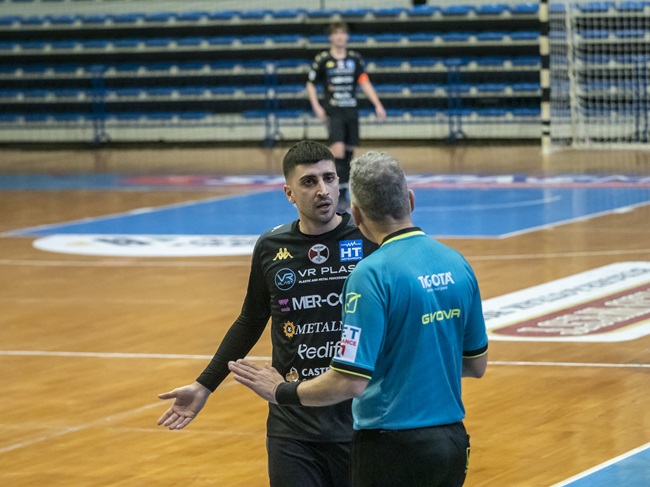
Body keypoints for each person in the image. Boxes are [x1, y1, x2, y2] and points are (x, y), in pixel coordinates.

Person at [229, 151, 489, 487]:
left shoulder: (370, 274)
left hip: (390, 444)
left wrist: (281, 391)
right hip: (451, 442)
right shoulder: (456, 263)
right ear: (411, 200)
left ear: (356, 213)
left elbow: (350, 381)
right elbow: (475, 365)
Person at [157, 140, 378, 487]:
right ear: (289, 193)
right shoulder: (271, 247)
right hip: (291, 426)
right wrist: (205, 384)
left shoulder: (369, 241)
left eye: (329, 178)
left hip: (360, 422)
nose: (322, 190)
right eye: (309, 182)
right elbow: (251, 319)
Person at [306, 22, 386, 212]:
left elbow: (364, 81)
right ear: (331, 37)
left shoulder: (354, 59)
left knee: (349, 153)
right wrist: (317, 106)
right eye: (336, 33)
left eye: (343, 33)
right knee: (338, 152)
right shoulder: (323, 59)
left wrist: (377, 104)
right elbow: (310, 83)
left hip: (351, 111)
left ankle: (346, 192)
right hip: (334, 111)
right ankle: (339, 194)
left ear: (347, 36)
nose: (340, 36)